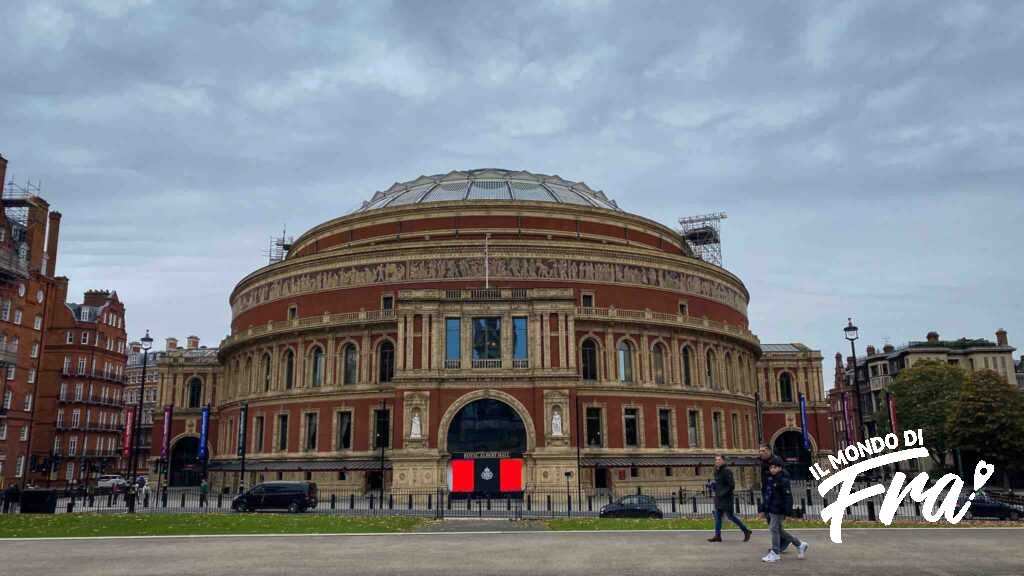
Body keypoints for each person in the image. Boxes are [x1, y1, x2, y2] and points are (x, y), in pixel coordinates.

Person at [762, 456, 808, 563]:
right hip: (772, 508)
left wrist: (787, 512)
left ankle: (775, 552)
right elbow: (768, 495)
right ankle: (800, 544)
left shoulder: (783, 480)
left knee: (774, 529)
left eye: (775, 467)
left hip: (779, 509)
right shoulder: (770, 479)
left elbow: (788, 497)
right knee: (779, 530)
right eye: (771, 468)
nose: (772, 469)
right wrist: (763, 508)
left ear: (780, 468)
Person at [708, 454, 751, 542]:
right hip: (718, 498)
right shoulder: (716, 471)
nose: (717, 461)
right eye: (716, 460)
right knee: (717, 517)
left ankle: (746, 531)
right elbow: (719, 484)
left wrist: (722, 493)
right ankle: (717, 536)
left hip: (726, 498)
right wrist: (713, 486)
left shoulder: (727, 471)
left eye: (719, 460)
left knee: (731, 516)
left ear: (723, 461)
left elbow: (731, 485)